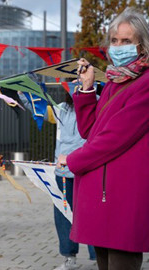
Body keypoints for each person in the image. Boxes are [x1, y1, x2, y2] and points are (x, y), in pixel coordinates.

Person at [57, 7, 149, 270]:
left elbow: (114, 138)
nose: (118, 46)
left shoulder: (145, 84)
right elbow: (91, 130)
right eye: (115, 40)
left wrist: (72, 159)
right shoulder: (113, 81)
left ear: (141, 45)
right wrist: (86, 89)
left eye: (126, 41)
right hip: (100, 194)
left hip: (123, 196)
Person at [20, 92, 95, 269]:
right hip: (62, 171)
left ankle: (98, 255)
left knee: (91, 213)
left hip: (87, 171)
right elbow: (39, 110)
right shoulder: (61, 108)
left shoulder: (97, 105)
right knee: (62, 215)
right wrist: (23, 91)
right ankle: (69, 257)